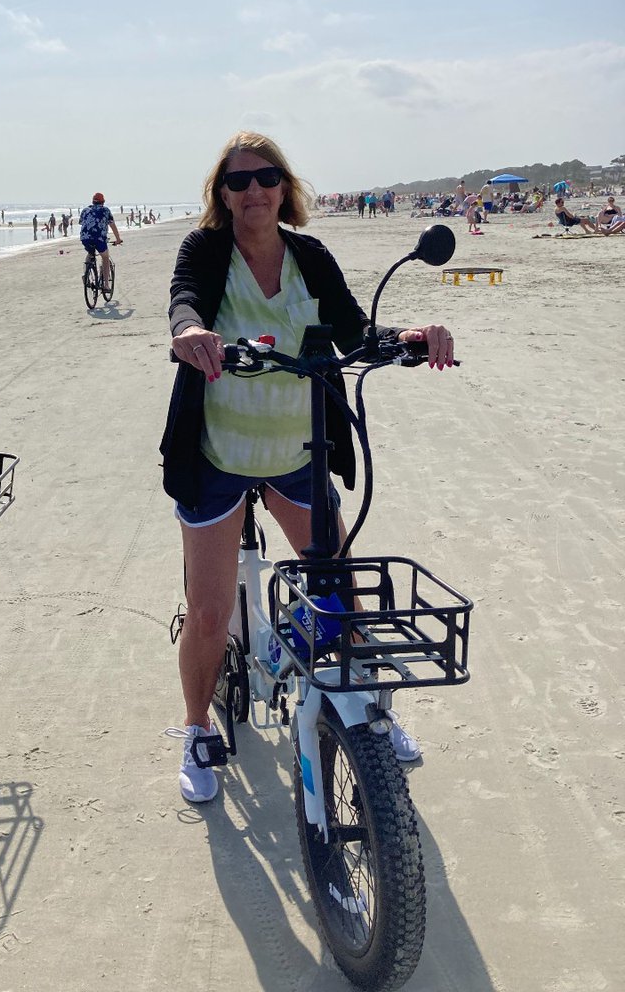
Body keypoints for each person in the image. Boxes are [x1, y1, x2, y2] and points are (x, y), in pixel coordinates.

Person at [160, 132, 454, 803]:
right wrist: (189, 334)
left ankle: (364, 714)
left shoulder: (310, 256)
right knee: (207, 616)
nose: (254, 191)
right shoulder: (207, 251)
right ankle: (196, 726)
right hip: (219, 456)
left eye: (266, 178)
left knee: (341, 586)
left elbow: (354, 332)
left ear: (285, 188)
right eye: (239, 182)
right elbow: (185, 303)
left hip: (298, 452)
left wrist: (408, 339)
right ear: (223, 195)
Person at [79, 193, 122, 289]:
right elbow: (112, 225)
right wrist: (118, 239)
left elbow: (81, 222)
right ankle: (106, 285)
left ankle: (86, 275)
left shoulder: (85, 210)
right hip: (99, 239)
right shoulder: (105, 210)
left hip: (85, 238)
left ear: (92, 201)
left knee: (90, 253)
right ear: (103, 202)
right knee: (105, 258)